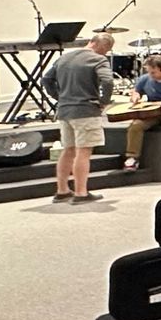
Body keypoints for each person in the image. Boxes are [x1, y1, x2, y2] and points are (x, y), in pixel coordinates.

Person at [45, 31, 115, 203]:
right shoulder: (98, 59)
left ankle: (62, 190)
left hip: (64, 110)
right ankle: (81, 193)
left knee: (68, 150)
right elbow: (108, 81)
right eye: (106, 51)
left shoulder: (64, 58)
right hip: (86, 111)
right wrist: (104, 101)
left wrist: (59, 97)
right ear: (103, 47)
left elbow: (46, 79)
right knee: (83, 152)